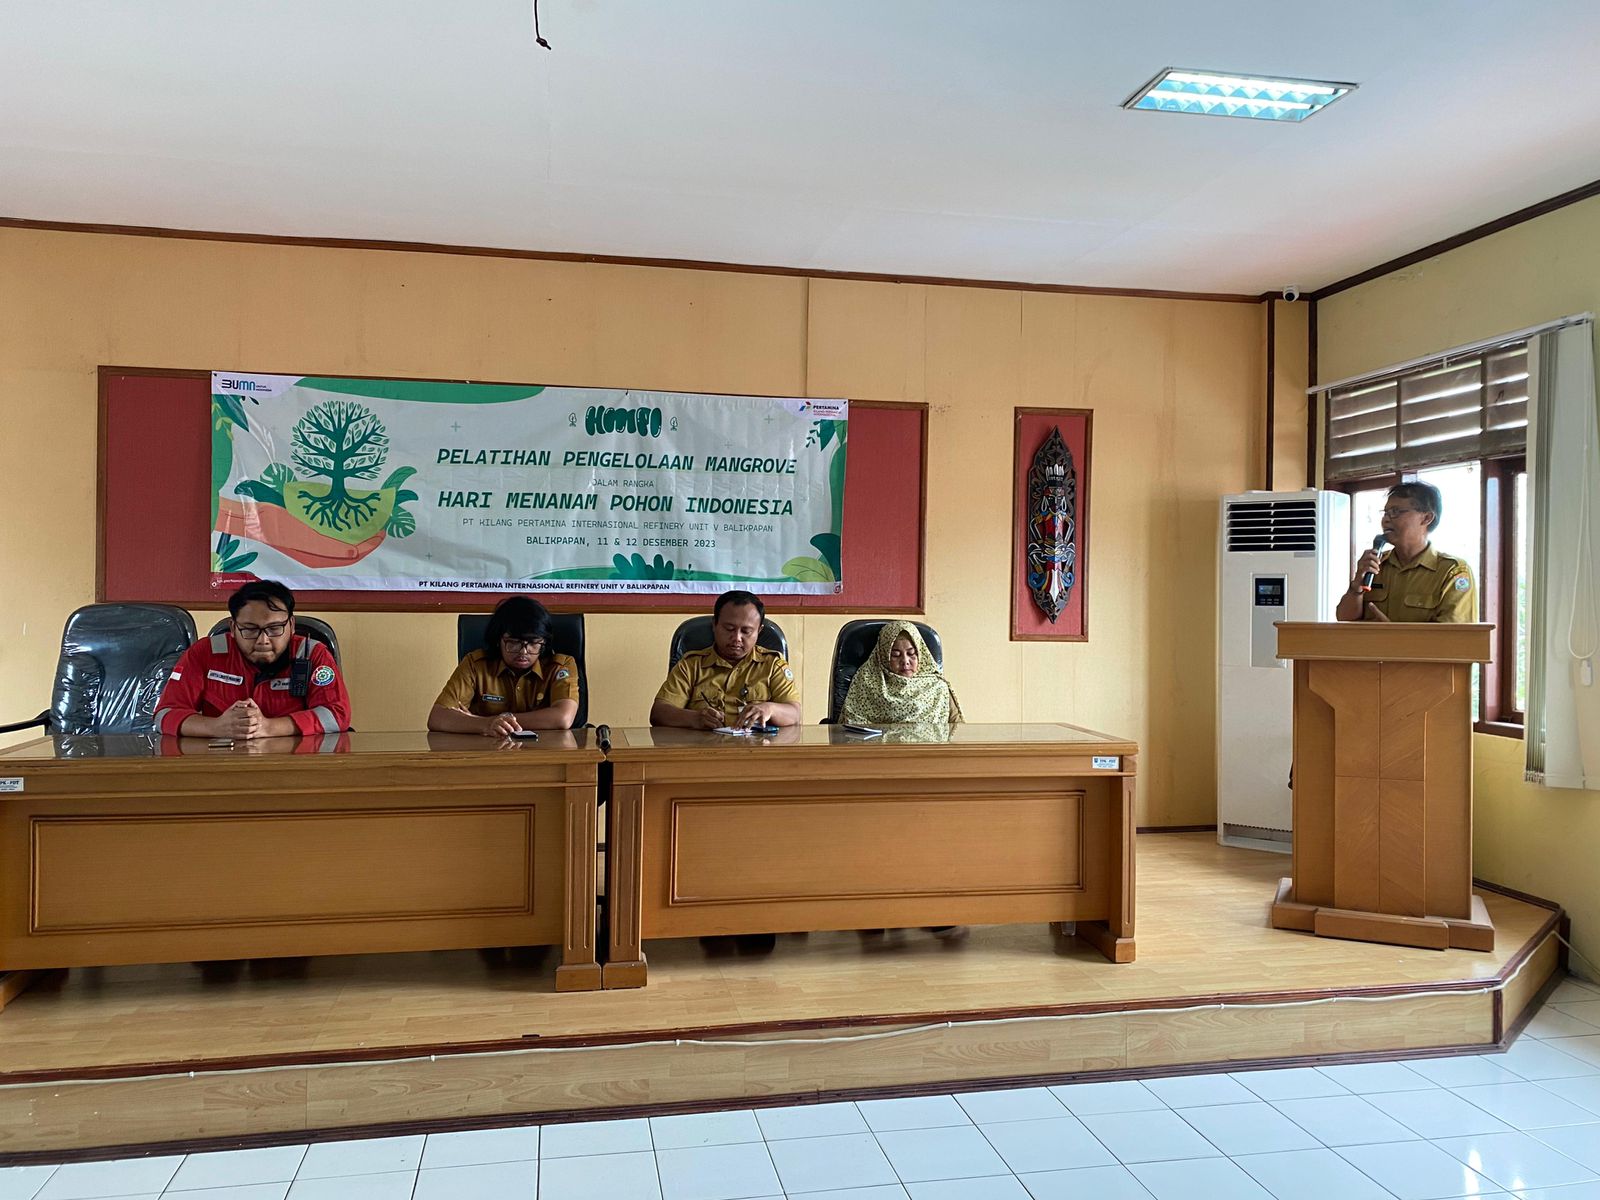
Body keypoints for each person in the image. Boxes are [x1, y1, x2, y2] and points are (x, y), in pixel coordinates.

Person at [154, 580, 350, 739]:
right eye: (250, 629)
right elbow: (165, 715)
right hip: (221, 762)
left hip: (295, 764)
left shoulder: (312, 654)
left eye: (274, 629)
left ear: (291, 625)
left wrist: (269, 727)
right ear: (233, 628)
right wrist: (217, 727)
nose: (263, 640)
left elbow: (336, 715)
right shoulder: (204, 653)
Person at [429, 596, 579, 735]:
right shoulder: (475, 665)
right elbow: (438, 716)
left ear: (543, 643)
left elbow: (563, 718)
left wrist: (488, 720)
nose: (523, 652)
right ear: (497, 640)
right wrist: (486, 724)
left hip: (546, 753)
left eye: (533, 643)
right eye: (513, 643)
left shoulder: (560, 665)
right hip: (485, 753)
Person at [651, 590, 801, 728]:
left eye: (746, 631)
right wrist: (695, 718)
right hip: (702, 751)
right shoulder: (691, 665)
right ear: (714, 625)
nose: (737, 638)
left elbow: (794, 713)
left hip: (757, 752)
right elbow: (659, 713)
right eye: (729, 629)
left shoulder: (772, 665)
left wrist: (770, 709)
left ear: (759, 631)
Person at [1336, 482, 1477, 623]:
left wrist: (1396, 635)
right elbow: (1344, 619)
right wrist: (1356, 586)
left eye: (1395, 512)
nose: (1385, 520)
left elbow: (1455, 638)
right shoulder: (1375, 565)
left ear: (1426, 518)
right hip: (1372, 646)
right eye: (1385, 513)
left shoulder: (1452, 572)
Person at [841, 621, 963, 727]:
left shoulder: (937, 687)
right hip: (879, 751)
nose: (905, 661)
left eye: (911, 654)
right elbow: (848, 726)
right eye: (896, 655)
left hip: (927, 752)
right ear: (884, 656)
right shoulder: (866, 682)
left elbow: (957, 728)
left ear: (921, 654)